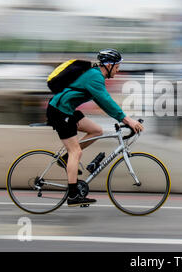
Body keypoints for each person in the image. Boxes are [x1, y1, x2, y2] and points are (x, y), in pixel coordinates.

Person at [46, 49, 144, 207]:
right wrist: (127, 120)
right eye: (118, 66)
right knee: (75, 151)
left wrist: (123, 119)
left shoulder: (96, 76)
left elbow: (102, 102)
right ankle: (72, 196)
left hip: (67, 110)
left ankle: (65, 160)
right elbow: (106, 100)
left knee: (97, 131)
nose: (118, 70)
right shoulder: (95, 77)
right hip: (59, 111)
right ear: (110, 65)